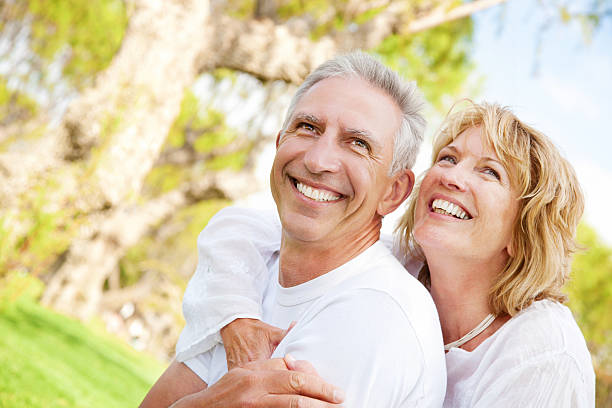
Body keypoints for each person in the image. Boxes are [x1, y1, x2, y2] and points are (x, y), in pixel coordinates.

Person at [176, 101, 596, 407]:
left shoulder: (544, 354)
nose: (450, 176)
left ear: (524, 233)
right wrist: (237, 318)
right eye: (448, 158)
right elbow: (240, 228)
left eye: (489, 171)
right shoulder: (399, 264)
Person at [140, 52, 447, 407]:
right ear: (279, 144)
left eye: (358, 144)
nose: (317, 161)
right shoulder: (247, 288)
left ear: (393, 192)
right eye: (308, 128)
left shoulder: (374, 313)